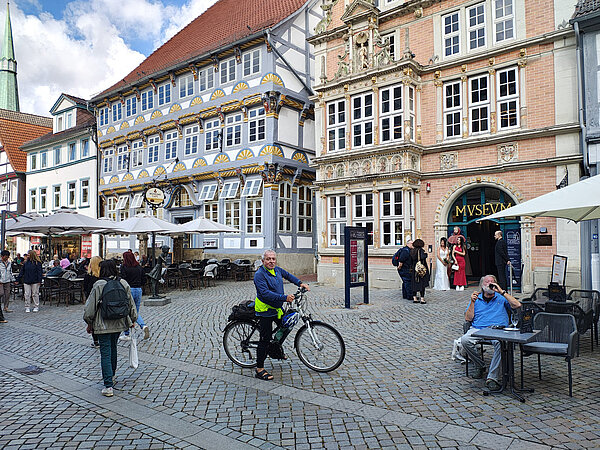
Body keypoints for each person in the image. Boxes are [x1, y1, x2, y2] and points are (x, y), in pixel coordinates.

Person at [253, 249, 310, 381]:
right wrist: (284, 298)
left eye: (273, 259)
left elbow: (288, 275)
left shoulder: (277, 270)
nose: (271, 261)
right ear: (263, 261)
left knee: (285, 327)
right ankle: (259, 369)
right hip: (265, 310)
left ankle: (274, 349)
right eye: (268, 259)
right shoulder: (259, 275)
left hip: (276, 308)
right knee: (265, 339)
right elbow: (265, 294)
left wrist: (300, 283)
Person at [83, 260, 137, 397]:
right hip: (119, 322)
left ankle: (108, 385)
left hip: (103, 323)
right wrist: (133, 319)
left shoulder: (99, 284)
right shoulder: (123, 283)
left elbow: (90, 307)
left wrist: (89, 322)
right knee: (113, 349)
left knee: (106, 352)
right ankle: (111, 376)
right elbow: (130, 303)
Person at [461, 275, 521, 391]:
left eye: (492, 282)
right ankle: (480, 365)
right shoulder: (476, 298)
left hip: (497, 329)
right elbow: (468, 318)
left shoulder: (501, 297)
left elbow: (517, 305)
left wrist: (502, 292)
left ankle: (492, 378)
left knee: (500, 343)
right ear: (481, 285)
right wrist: (472, 302)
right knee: (465, 340)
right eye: (487, 282)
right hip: (478, 329)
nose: (489, 284)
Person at [120, 251, 150, 341]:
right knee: (135, 311)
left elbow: (122, 279)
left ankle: (127, 333)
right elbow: (144, 279)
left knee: (126, 311)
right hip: (138, 290)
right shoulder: (139, 267)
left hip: (129, 290)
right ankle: (143, 326)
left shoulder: (124, 267)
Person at [84, 256, 103, 348]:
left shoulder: (89, 276)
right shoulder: (103, 276)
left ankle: (96, 340)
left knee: (92, 319)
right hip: (102, 300)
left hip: (92, 300)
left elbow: (85, 288)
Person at [409, 239, 430, 304]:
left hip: (414, 270)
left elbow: (410, 261)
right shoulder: (420, 251)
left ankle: (414, 298)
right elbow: (422, 257)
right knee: (422, 284)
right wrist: (426, 254)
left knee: (414, 284)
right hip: (420, 270)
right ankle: (422, 298)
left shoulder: (412, 251)